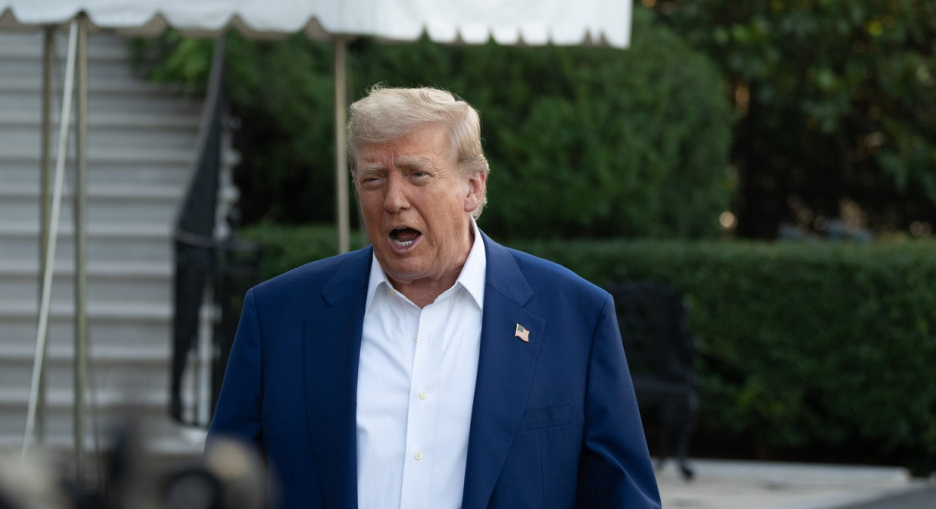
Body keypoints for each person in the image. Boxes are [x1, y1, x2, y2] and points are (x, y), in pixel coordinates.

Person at [207, 86, 661, 509]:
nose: (393, 200)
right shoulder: (279, 316)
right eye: (372, 179)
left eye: (417, 174)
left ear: (474, 187)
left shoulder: (576, 317)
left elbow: (624, 497)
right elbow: (221, 489)